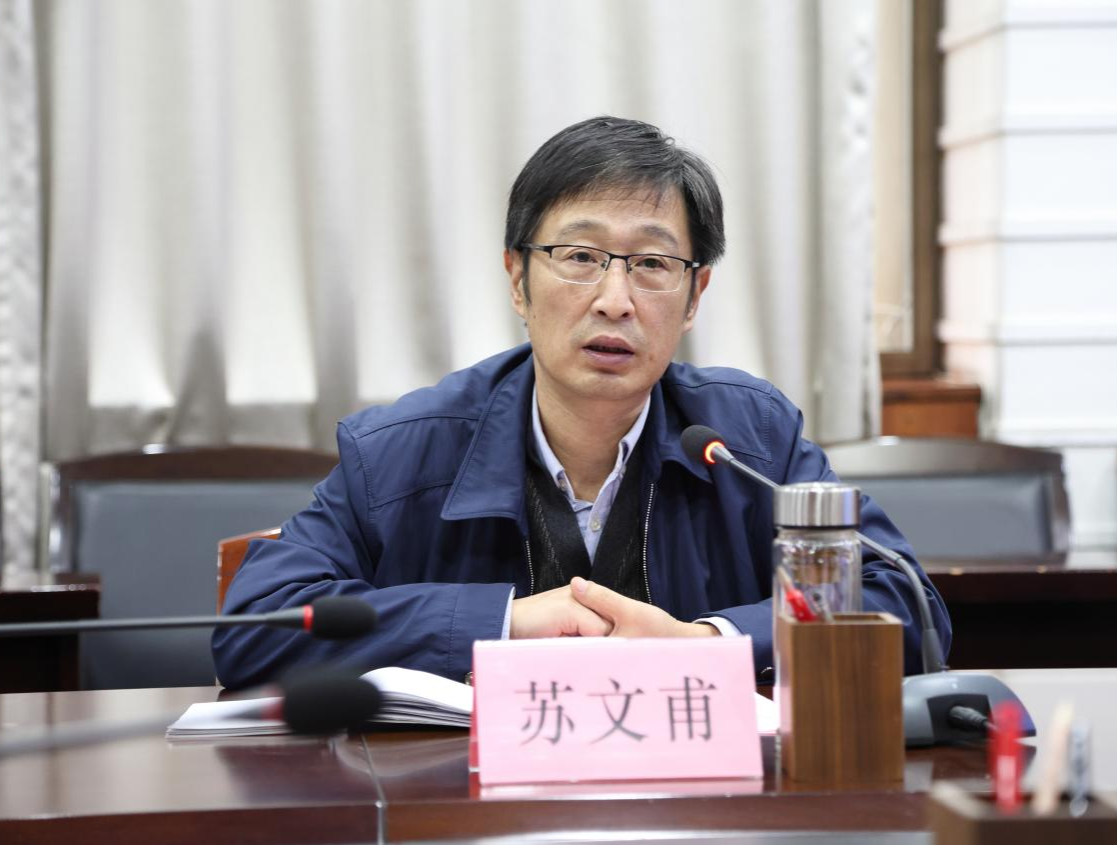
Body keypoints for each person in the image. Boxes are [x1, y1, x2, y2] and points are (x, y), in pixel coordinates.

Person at [212, 116, 950, 689]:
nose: (615, 300)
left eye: (653, 263)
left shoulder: (750, 438)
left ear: (695, 295)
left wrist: (707, 644)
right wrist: (501, 623)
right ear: (517, 279)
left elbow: (904, 607)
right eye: (580, 257)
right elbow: (256, 627)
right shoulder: (401, 451)